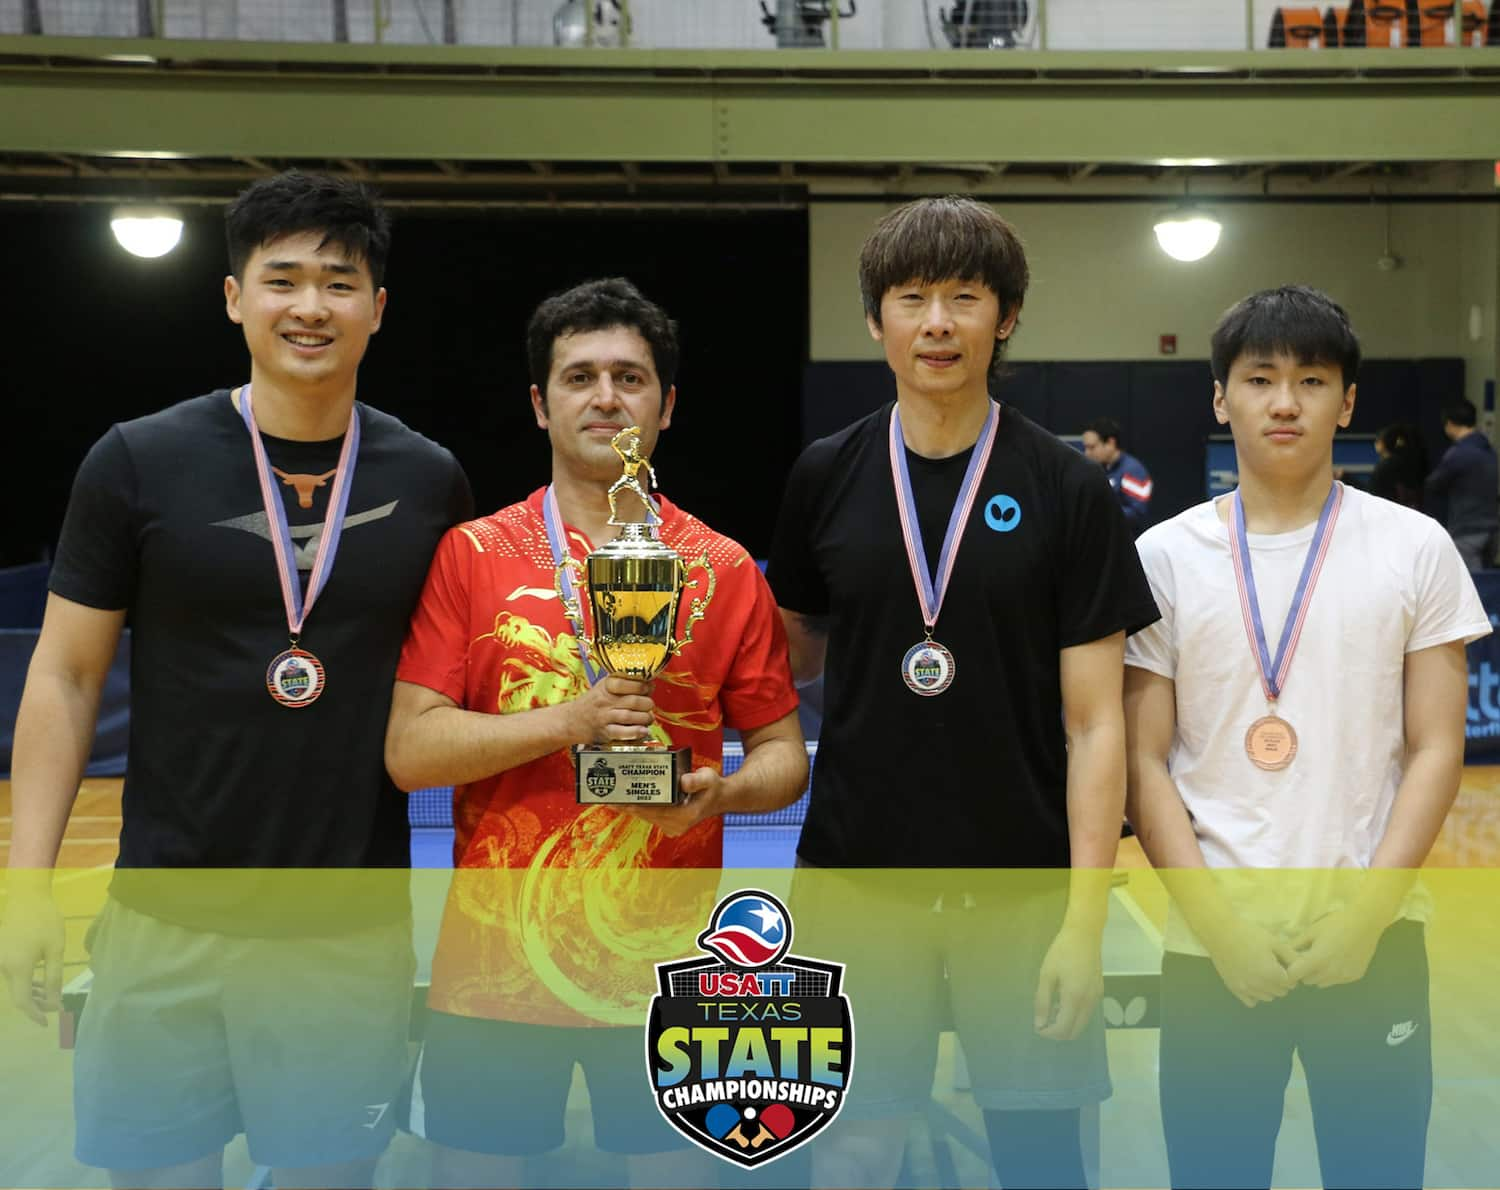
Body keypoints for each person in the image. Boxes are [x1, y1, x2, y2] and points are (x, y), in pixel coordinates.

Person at [0, 170, 472, 1188]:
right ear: (233, 296)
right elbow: (67, 677)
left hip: (344, 931)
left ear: (377, 309)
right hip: (164, 920)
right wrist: (27, 884)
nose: (310, 306)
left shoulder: (427, 478)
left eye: (339, 282)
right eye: (282, 278)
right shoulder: (135, 461)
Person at [765, 196, 1160, 1189]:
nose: (937, 321)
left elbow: (1096, 719)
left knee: (1041, 1154)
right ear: (875, 321)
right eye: (911, 298)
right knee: (851, 1146)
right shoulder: (824, 473)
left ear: (1007, 315)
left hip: (1021, 891)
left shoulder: (1069, 488)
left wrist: (1081, 921)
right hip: (857, 880)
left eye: (964, 297)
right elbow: (791, 654)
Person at [383, 277, 807, 1189]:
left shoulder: (724, 567)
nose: (606, 397)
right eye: (579, 377)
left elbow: (784, 756)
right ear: (541, 404)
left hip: (671, 974)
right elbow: (411, 749)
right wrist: (571, 721)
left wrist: (724, 796)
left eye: (630, 377)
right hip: (491, 972)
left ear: (667, 405)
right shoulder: (474, 554)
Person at [1123, 285, 1487, 1189]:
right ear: (1221, 398)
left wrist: (1366, 919)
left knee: (1378, 1173)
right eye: (1260, 379)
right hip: (1210, 947)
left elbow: (1439, 747)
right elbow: (1140, 758)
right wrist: (1217, 931)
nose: (1285, 402)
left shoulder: (1415, 547)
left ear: (1348, 402)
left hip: (1376, 939)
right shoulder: (1161, 557)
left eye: (1312, 381)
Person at [1425, 397, 1499, 572]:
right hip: (1492, 528)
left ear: (1450, 424)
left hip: (1467, 529)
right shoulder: (1490, 451)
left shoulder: (1458, 453)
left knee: (1472, 586)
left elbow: (1434, 484)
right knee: (1488, 585)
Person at [1082, 416, 1154, 535]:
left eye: (1092, 447)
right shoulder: (1100, 468)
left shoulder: (1132, 470)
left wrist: (1100, 513)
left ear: (1110, 443)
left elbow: (1138, 513)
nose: (1087, 453)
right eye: (1085, 447)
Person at [1368, 421, 1427, 511]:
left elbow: (1372, 493)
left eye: (1377, 440)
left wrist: (1347, 477)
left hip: (1389, 513)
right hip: (1410, 512)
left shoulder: (1384, 467)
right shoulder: (1407, 461)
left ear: (1382, 444)